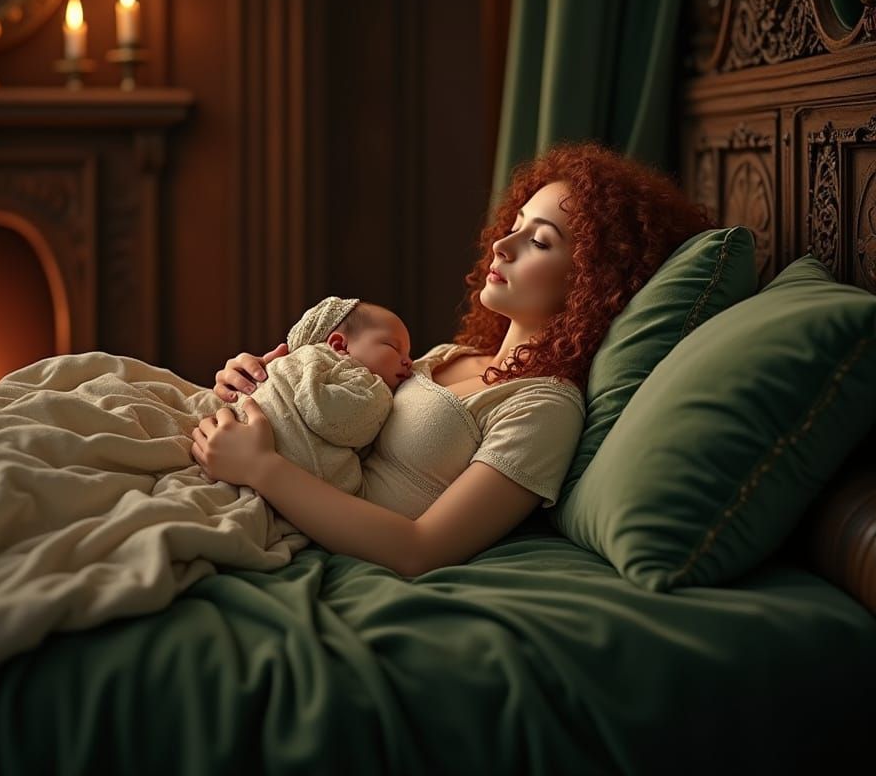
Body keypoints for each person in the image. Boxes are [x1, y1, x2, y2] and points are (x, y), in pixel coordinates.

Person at [191, 140, 713, 578]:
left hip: (279, 506)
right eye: (517, 223)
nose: (503, 246)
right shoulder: (450, 356)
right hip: (241, 477)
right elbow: (331, 410)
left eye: (540, 242)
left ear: (593, 285)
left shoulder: (544, 406)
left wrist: (262, 467)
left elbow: (422, 548)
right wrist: (261, 381)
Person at [194, 295, 413, 495]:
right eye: (394, 347)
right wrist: (381, 396)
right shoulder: (351, 375)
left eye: (409, 354)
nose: (409, 362)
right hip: (234, 444)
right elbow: (332, 416)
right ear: (340, 345)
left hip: (242, 454)